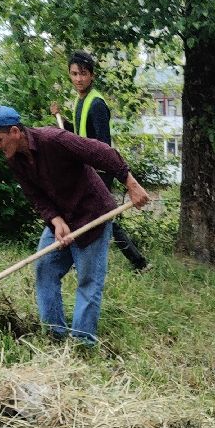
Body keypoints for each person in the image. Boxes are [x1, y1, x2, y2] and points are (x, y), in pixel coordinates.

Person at [0, 104, 149, 345]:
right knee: (45, 270)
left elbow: (101, 152)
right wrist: (55, 221)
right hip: (61, 216)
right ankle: (55, 336)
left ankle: (82, 343)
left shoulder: (54, 139)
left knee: (88, 281)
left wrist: (131, 184)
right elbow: (35, 195)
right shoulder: (15, 159)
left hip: (91, 214)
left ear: (15, 132)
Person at [50, 51, 150, 274]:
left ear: (92, 75)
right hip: (87, 170)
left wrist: (101, 173)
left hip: (99, 171)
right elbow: (78, 137)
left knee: (103, 218)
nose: (78, 79)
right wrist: (62, 121)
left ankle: (138, 262)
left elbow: (103, 145)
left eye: (83, 74)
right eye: (74, 74)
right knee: (103, 218)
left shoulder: (96, 105)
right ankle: (138, 263)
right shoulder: (80, 100)